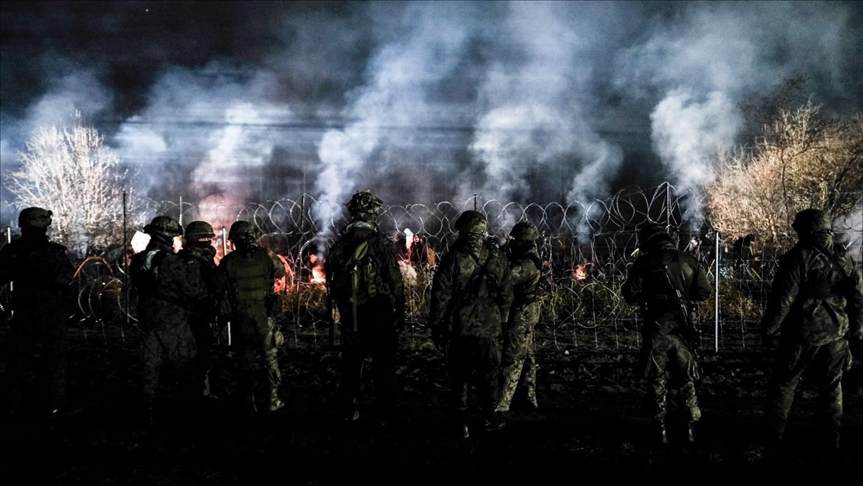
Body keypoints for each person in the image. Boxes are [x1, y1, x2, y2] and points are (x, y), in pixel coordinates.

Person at [761, 209, 863, 451]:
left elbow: (783, 300)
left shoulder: (797, 257)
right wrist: (857, 333)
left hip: (801, 334)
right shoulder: (844, 257)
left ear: (806, 230)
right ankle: (830, 441)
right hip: (837, 333)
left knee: (784, 384)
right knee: (831, 387)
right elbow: (858, 298)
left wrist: (769, 329)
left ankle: (773, 438)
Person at [622, 222, 711, 444]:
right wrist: (684, 300)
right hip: (683, 328)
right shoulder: (688, 261)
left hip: (655, 327)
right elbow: (704, 292)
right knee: (686, 378)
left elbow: (630, 296)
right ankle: (690, 428)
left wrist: (650, 297)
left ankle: (659, 429)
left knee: (656, 379)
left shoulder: (643, 263)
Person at [429, 210, 513, 438]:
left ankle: (460, 423)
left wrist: (436, 325)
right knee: (489, 376)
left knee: (460, 377)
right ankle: (489, 418)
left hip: (461, 327)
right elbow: (507, 295)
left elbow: (441, 295)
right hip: (490, 327)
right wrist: (501, 320)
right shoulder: (498, 258)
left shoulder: (454, 258)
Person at [324, 190, 405, 426]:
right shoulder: (378, 242)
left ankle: (347, 410)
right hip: (378, 310)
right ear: (373, 214)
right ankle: (384, 413)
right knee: (383, 364)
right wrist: (399, 310)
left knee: (351, 363)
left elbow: (331, 280)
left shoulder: (340, 244)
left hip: (351, 311)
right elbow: (394, 280)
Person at [130, 215, 209, 425]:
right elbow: (195, 291)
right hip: (173, 319)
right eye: (175, 237)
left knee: (149, 366)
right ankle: (187, 413)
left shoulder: (138, 260)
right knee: (185, 363)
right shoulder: (173, 262)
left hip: (147, 318)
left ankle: (146, 411)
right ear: (167, 237)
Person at [0, 207, 76, 421]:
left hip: (24, 313)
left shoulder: (13, 250)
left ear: (23, 225)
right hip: (52, 314)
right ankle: (53, 405)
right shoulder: (54, 252)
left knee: (18, 359)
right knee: (54, 360)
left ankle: (13, 405)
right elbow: (67, 279)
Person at [216, 220, 287, 415]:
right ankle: (273, 399)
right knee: (270, 359)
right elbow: (280, 272)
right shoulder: (266, 255)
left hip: (241, 317)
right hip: (264, 315)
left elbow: (218, 286)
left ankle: (248, 401)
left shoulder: (228, 261)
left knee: (246, 360)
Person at [496, 222, 543, 414]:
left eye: (515, 239)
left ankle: (501, 404)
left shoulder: (527, 263)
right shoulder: (524, 258)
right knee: (527, 357)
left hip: (521, 312)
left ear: (524, 241)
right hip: (524, 311)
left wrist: (497, 256)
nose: (512, 242)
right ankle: (527, 398)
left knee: (512, 357)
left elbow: (505, 277)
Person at [179, 221, 220, 399]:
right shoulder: (194, 261)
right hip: (196, 314)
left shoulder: (192, 258)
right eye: (207, 239)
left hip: (196, 313)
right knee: (200, 353)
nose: (210, 242)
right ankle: (198, 391)